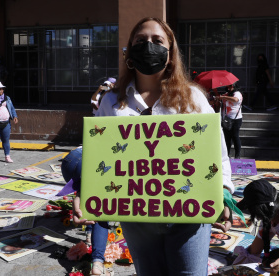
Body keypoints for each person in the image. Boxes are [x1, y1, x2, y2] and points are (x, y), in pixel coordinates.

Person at [87, 17, 235, 276]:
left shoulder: (192, 97)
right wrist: (86, 192)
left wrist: (222, 191)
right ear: (130, 51)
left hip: (189, 215)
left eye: (157, 41)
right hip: (137, 218)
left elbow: (217, 153)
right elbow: (97, 154)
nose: (148, 46)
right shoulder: (111, 101)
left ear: (170, 52)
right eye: (140, 41)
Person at [60, 147, 111, 276]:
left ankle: (89, 234)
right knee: (100, 210)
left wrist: (77, 202)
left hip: (70, 159)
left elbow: (82, 191)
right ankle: (98, 263)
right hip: (91, 159)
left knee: (89, 202)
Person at [220, 83, 243, 158]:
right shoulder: (228, 93)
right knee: (227, 138)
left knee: (235, 136)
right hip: (227, 119)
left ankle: (237, 155)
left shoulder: (237, 93)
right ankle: (227, 155)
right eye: (228, 86)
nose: (229, 87)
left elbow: (235, 100)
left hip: (235, 119)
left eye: (230, 86)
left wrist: (224, 97)